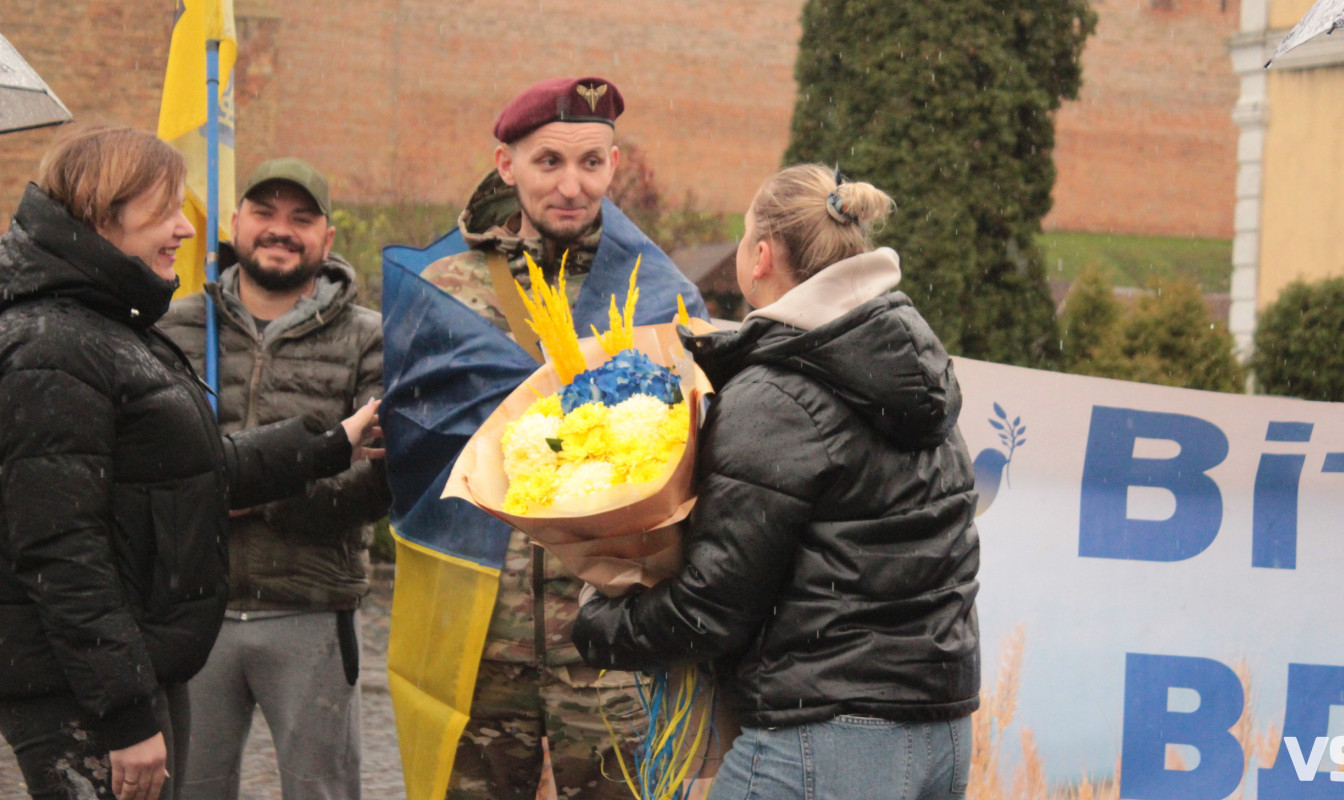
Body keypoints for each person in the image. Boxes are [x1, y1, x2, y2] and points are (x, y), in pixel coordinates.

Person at [573, 164, 981, 800]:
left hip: (827, 741)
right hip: (943, 733)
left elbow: (712, 610)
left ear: (761, 256)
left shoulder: (778, 396)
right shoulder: (911, 368)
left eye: (742, 238)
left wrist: (599, 623)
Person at [0, 124, 382, 800]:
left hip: (138, 663)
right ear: (104, 208)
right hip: (81, 692)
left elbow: (185, 470)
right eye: (166, 207)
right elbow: (62, 552)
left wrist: (330, 446)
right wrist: (123, 716)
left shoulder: (107, 326)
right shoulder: (54, 345)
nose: (184, 227)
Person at [403, 75, 708, 799]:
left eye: (592, 163)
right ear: (505, 165)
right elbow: (412, 451)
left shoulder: (661, 295)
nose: (573, 186)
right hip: (477, 638)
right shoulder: (447, 290)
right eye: (549, 163)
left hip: (611, 640)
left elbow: (700, 464)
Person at [158, 157, 389, 800]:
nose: (280, 230)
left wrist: (255, 498)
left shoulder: (369, 338)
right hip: (189, 613)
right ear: (234, 224)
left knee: (322, 790)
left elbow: (378, 482)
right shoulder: (173, 327)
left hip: (311, 611)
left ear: (327, 238)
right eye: (264, 213)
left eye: (301, 219)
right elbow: (139, 464)